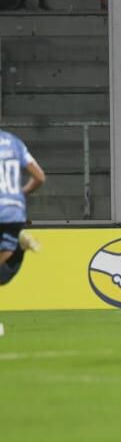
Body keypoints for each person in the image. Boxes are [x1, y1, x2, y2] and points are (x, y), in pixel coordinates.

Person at [0, 127, 45, 337]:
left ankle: (19, 249)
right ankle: (19, 249)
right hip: (14, 211)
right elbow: (39, 177)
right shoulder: (13, 141)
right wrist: (20, 193)